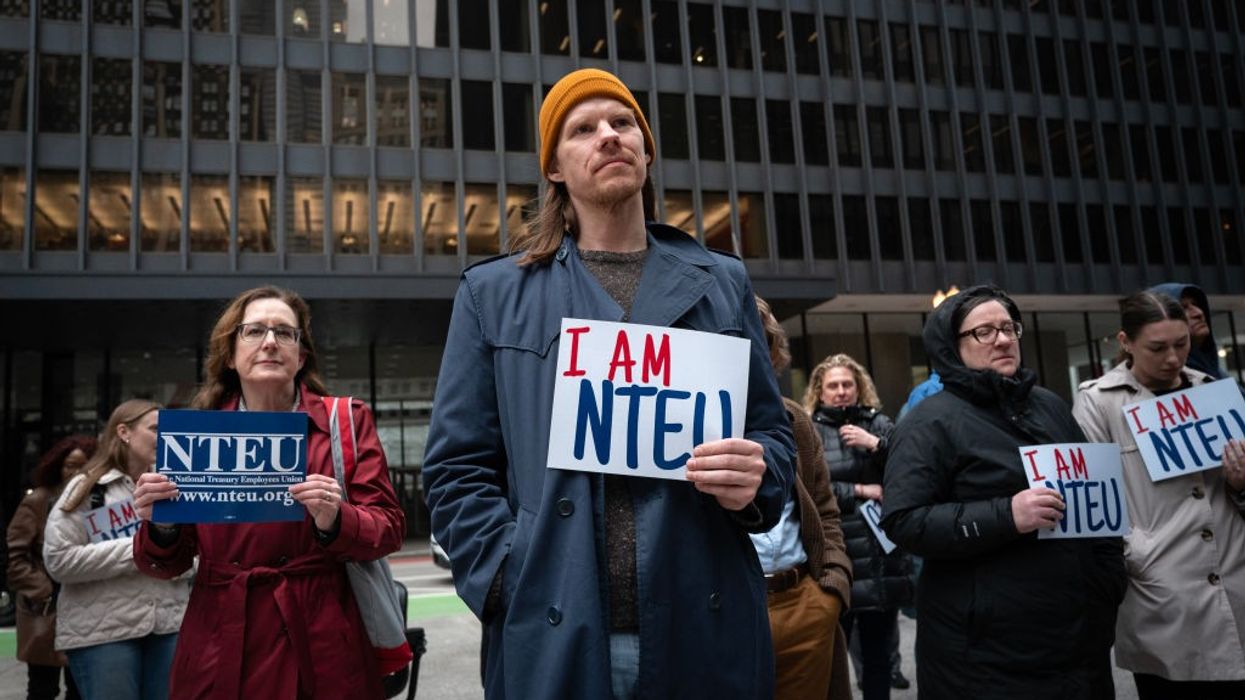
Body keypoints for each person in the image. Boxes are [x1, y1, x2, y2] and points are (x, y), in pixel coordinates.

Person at [423, 68, 795, 699]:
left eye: (623, 124)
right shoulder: (491, 295)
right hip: (557, 631)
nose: (609, 137)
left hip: (702, 628)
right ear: (555, 169)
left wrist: (757, 475)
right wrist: (509, 576)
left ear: (646, 152)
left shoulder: (722, 281)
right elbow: (458, 468)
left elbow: (773, 435)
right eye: (583, 129)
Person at [130, 286, 407, 699]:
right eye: (254, 331)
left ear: (302, 354)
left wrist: (336, 520)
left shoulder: (345, 421)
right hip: (220, 640)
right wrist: (164, 525)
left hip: (322, 637)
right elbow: (164, 565)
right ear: (230, 353)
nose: (270, 342)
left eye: (285, 332)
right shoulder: (194, 434)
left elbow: (389, 527)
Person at [881, 284, 1126, 699]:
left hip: (1077, 643)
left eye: (1009, 328)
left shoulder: (1049, 406)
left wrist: (1106, 583)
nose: (1002, 339)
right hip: (982, 655)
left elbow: (1095, 494)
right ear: (950, 347)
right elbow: (904, 520)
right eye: (984, 332)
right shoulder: (928, 423)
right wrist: (1006, 515)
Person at [1072, 290, 1245, 699]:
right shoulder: (1097, 403)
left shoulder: (1213, 390)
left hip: (1235, 580)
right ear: (1126, 342)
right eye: (1157, 347)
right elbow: (1093, 505)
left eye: (1182, 344)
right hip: (1160, 593)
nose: (1172, 358)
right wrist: (1138, 557)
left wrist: (1241, 484)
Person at [43, 400, 191, 699]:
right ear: (124, 432)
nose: (165, 438)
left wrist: (171, 552)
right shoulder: (88, 488)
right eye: (155, 429)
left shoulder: (174, 484)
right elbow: (59, 560)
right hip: (104, 633)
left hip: (168, 627)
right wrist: (143, 549)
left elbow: (197, 555)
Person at [752, 296, 853, 700]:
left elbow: (825, 510)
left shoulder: (793, 418)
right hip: (728, 609)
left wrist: (831, 587)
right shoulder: (687, 419)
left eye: (757, 338)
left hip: (804, 603)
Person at [803, 354, 912, 700]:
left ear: (859, 387)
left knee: (879, 656)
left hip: (879, 556)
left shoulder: (878, 423)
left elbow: (913, 467)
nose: (840, 392)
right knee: (832, 654)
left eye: (847, 384)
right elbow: (805, 489)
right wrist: (859, 491)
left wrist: (875, 444)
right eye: (832, 385)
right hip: (835, 554)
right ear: (820, 392)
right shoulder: (809, 429)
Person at [7, 435, 94, 700]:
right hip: (45, 610)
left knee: (80, 689)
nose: (76, 473)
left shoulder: (96, 500)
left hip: (84, 607)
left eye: (84, 466)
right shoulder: (40, 500)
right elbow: (14, 555)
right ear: (58, 465)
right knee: (42, 688)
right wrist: (43, 590)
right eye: (70, 465)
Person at [1148, 282, 1227, 379]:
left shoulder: (1215, 372)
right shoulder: (1170, 380)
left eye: (1195, 304)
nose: (1198, 313)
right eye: (1183, 308)